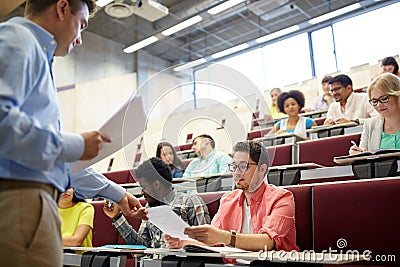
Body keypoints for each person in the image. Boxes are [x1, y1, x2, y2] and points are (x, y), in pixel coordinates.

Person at [0, 1, 146, 266]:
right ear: (62, 8)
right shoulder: (19, 39)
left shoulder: (35, 54)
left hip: (29, 200)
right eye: (82, 25)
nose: (79, 39)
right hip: (19, 201)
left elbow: (54, 157)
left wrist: (119, 195)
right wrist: (75, 143)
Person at [165, 141, 299, 252]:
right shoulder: (228, 200)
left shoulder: (282, 198)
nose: (236, 173)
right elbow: (214, 241)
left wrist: (225, 237)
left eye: (243, 166)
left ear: (262, 169)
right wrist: (181, 242)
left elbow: (268, 242)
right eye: (234, 167)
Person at [103, 157, 210, 247]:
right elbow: (142, 246)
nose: (142, 192)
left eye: (144, 187)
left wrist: (182, 244)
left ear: (156, 185)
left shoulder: (190, 202)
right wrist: (117, 218)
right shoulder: (149, 208)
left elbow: (207, 243)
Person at [349, 73, 400, 155]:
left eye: (384, 99)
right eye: (374, 101)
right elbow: (364, 160)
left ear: (397, 95)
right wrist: (357, 155)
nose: (379, 105)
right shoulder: (369, 125)